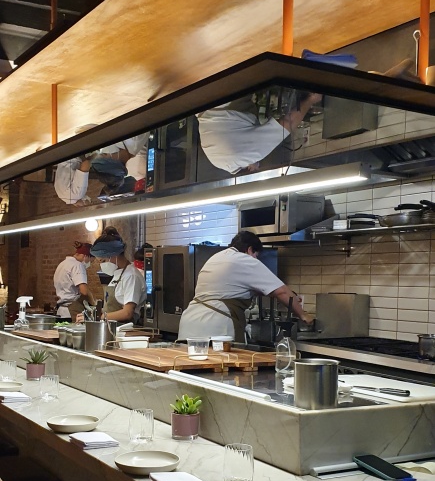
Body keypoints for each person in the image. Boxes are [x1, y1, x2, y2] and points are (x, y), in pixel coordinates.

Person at [178, 230, 312, 342]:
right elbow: (282, 292)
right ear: (249, 250)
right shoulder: (245, 260)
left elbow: (237, 289)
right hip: (216, 328)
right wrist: (303, 315)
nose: (256, 259)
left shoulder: (216, 258)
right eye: (256, 255)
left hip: (190, 323)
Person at [196, 92, 322, 175]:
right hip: (201, 99)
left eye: (258, 166)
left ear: (250, 168)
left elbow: (287, 124)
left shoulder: (246, 157)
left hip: (227, 95)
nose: (258, 163)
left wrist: (311, 99)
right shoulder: (218, 162)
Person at [53, 133, 149, 205]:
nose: (104, 154)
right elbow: (86, 164)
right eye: (105, 155)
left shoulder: (75, 195)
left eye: (104, 155)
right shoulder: (65, 196)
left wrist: (94, 155)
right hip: (66, 149)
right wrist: (94, 156)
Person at [89, 227, 146, 324]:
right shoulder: (118, 274)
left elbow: (127, 313)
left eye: (103, 261)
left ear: (113, 255)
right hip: (111, 328)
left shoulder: (131, 276)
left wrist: (101, 317)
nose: (102, 265)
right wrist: (92, 315)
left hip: (124, 330)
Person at [53, 241, 95, 321]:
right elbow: (84, 291)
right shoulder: (78, 265)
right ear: (86, 256)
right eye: (91, 261)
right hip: (71, 310)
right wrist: (93, 302)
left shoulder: (62, 264)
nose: (90, 264)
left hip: (60, 311)